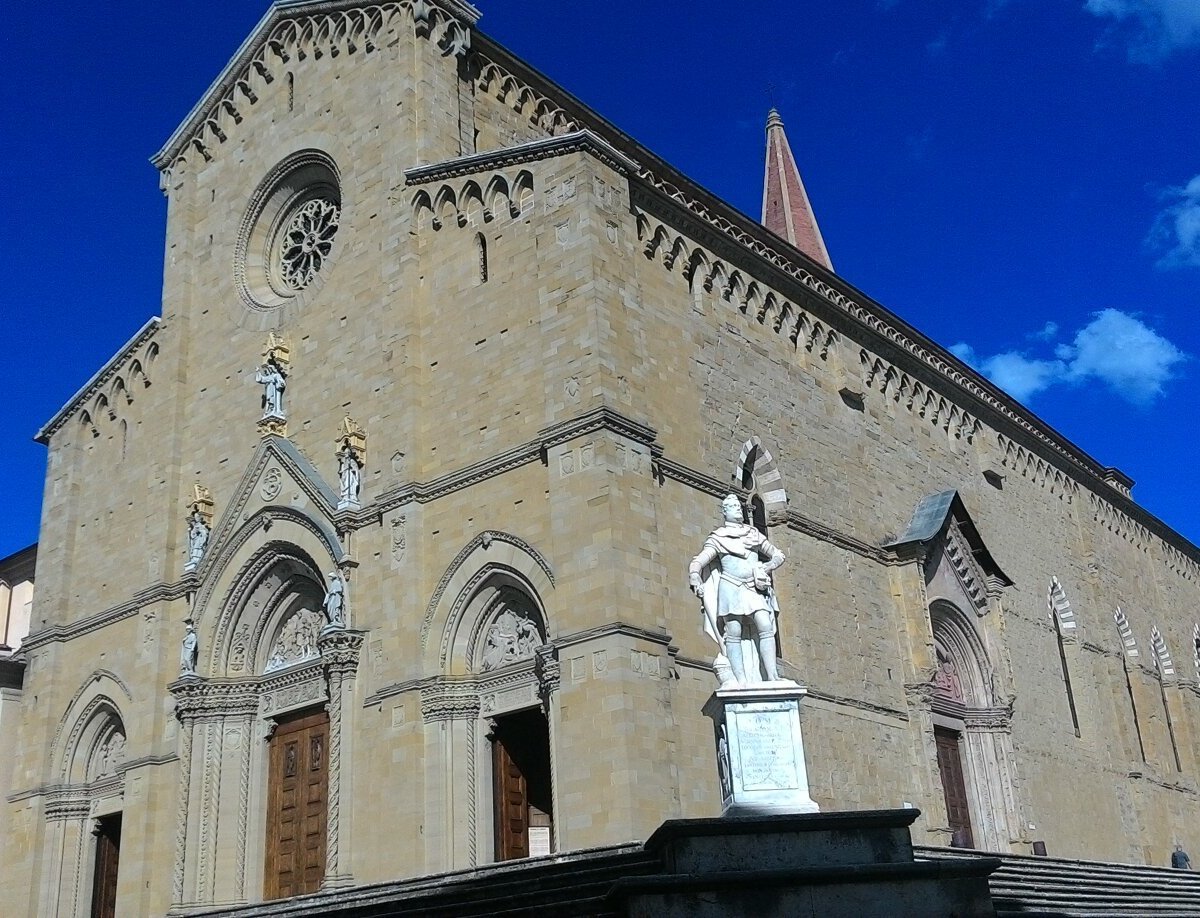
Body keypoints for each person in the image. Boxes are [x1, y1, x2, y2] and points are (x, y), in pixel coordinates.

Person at [689, 494, 786, 687]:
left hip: (752, 587)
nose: (738, 510)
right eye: (732, 507)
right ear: (725, 512)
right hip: (730, 586)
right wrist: (694, 575)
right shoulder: (718, 538)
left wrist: (764, 568)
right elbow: (699, 560)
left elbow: (778, 555)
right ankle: (740, 679)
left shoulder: (753, 534)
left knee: (765, 626)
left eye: (738, 506)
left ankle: (773, 675)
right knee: (733, 631)